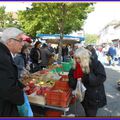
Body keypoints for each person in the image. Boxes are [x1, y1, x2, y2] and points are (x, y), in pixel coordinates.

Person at [68, 47, 107, 117]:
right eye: (75, 58)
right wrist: (73, 82)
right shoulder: (75, 65)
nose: (77, 60)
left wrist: (87, 78)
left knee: (91, 114)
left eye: (79, 58)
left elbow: (102, 77)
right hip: (83, 95)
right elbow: (70, 76)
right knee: (87, 111)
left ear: (84, 57)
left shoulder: (96, 64)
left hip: (93, 96)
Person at [0, 27, 27, 116]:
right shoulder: (3, 57)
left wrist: (21, 86)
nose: (22, 44)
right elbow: (7, 88)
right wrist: (21, 97)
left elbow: (8, 76)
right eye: (20, 40)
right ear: (9, 41)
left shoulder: (4, 53)